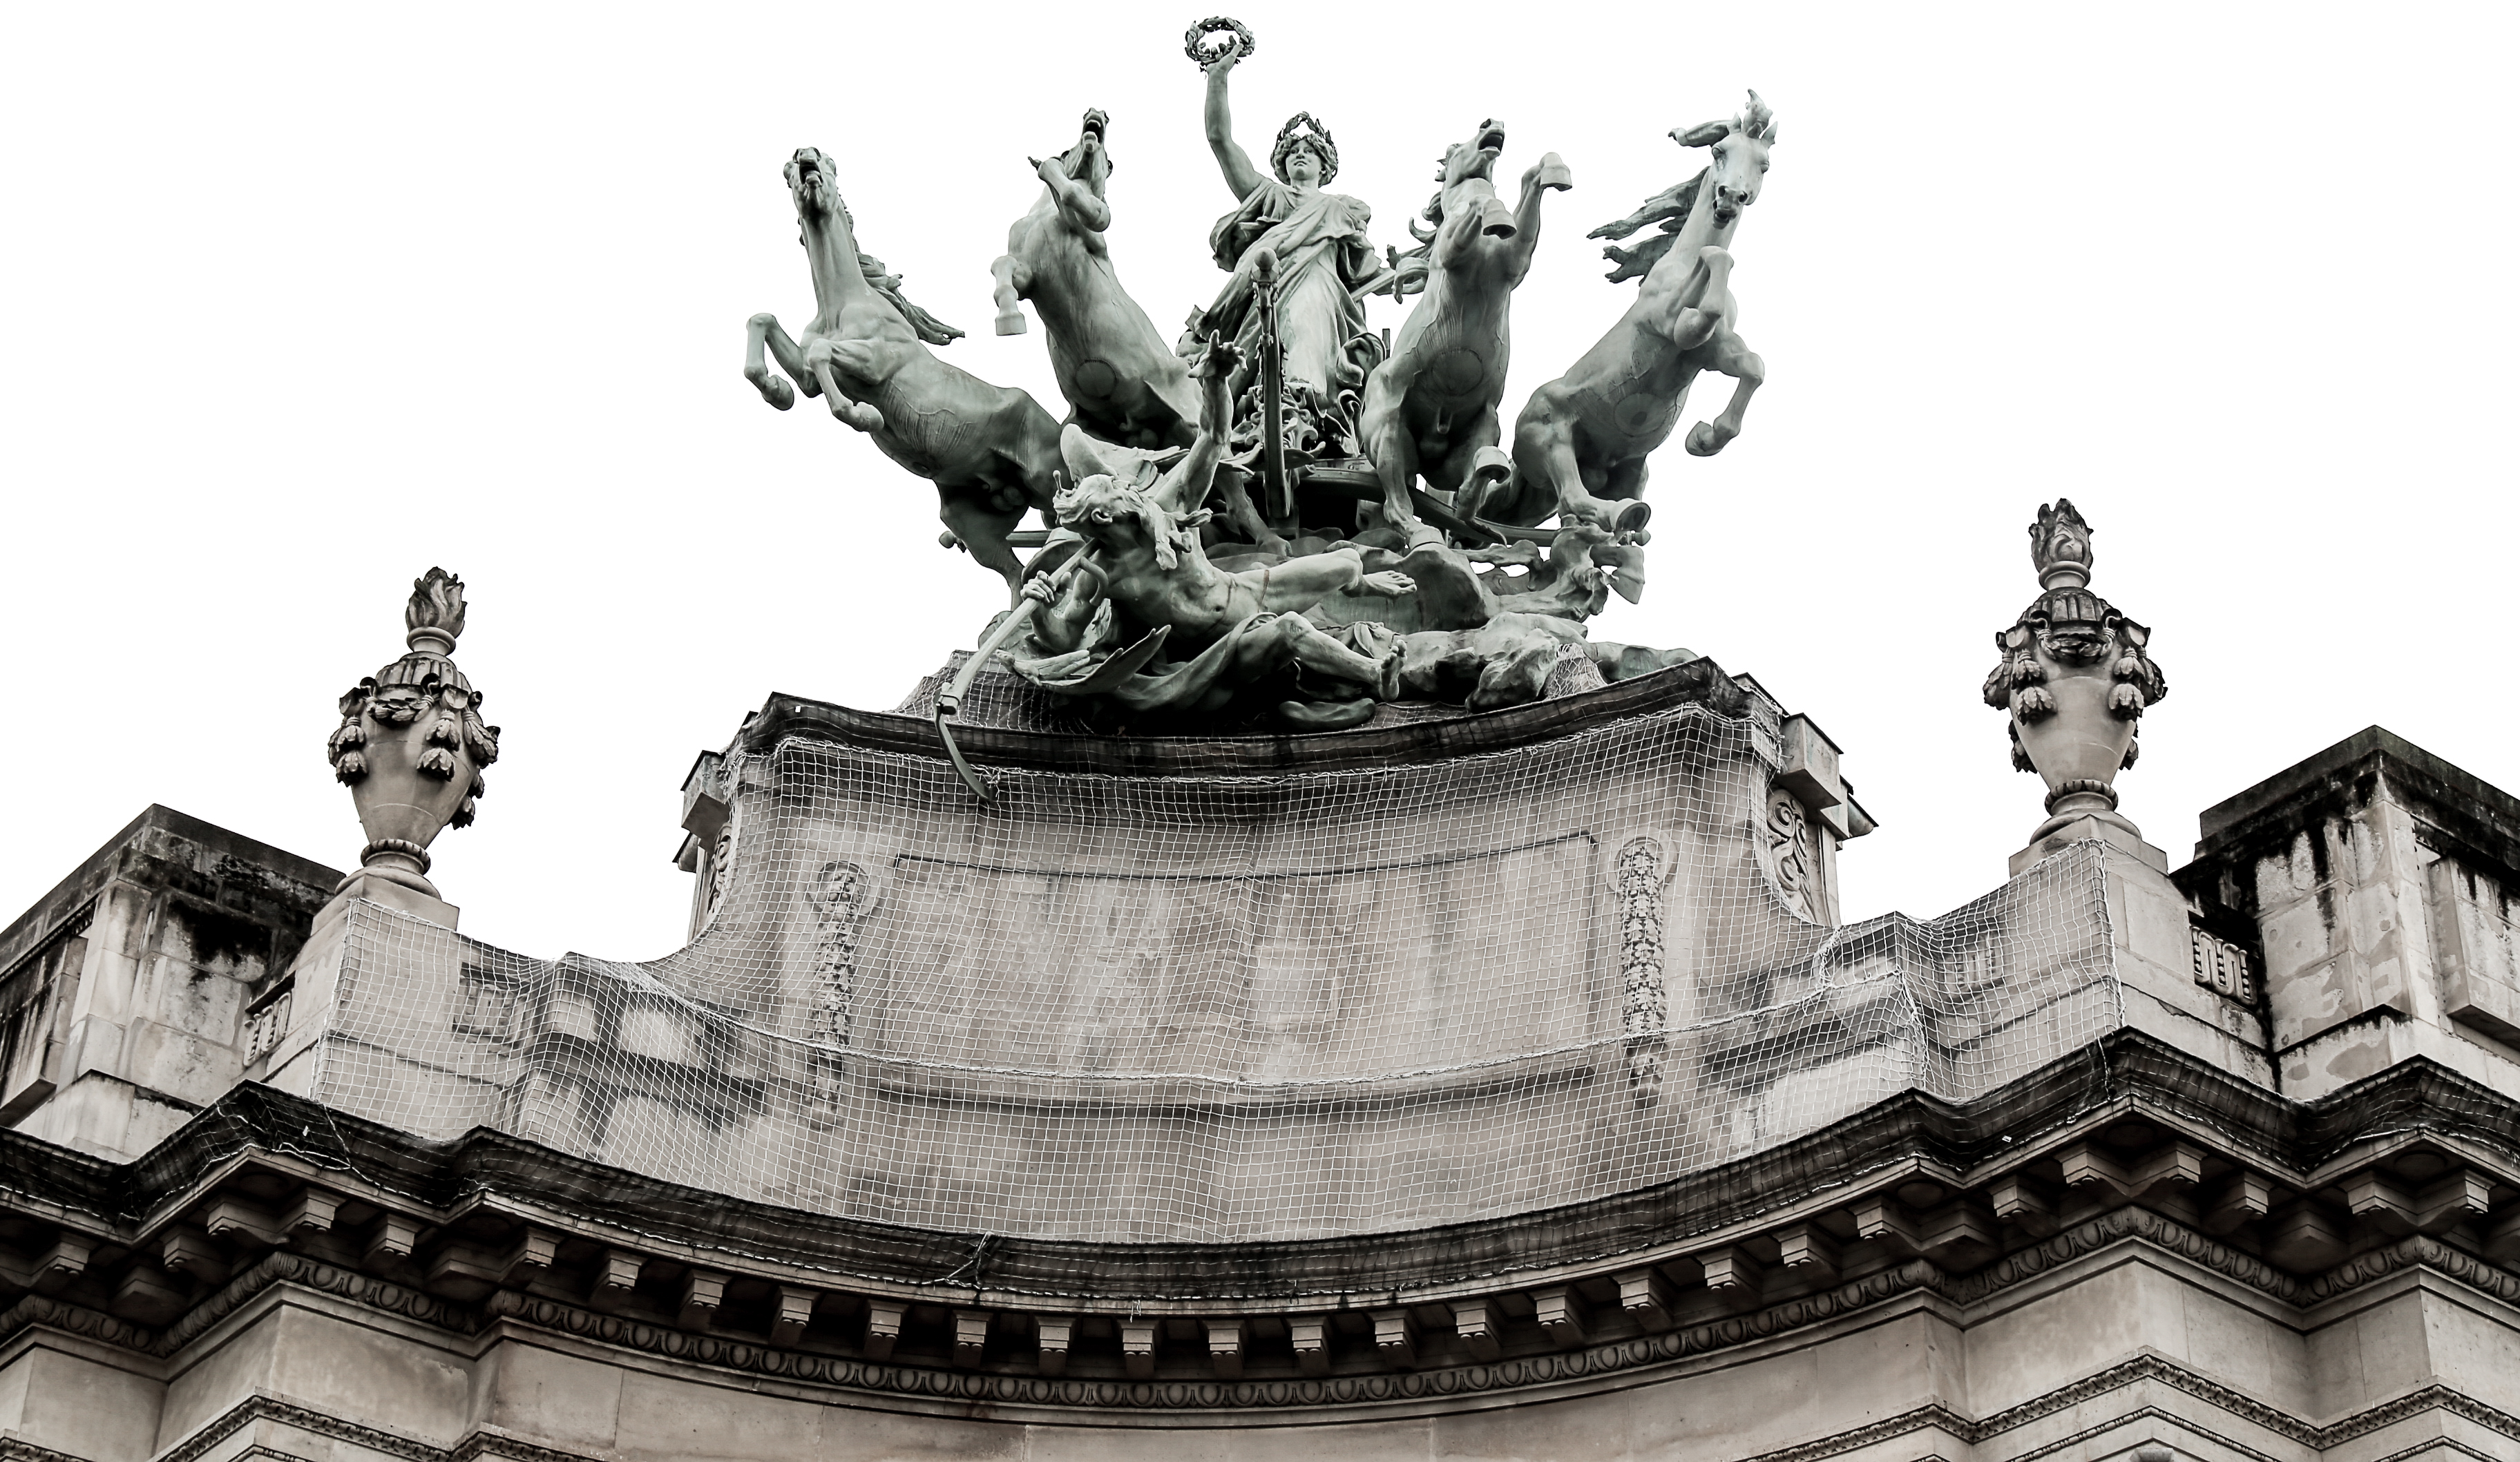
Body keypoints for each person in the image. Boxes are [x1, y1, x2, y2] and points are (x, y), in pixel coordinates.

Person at [1196, 45, 1381, 405]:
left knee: (1306, 311)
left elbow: (1367, 272)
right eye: (1293, 150)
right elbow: (1220, 140)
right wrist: (1217, 79)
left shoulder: (1340, 210)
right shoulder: (1270, 196)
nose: (1300, 154)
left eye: (1309, 151)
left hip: (1321, 287)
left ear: (1324, 166)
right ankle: (1269, 402)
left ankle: (1302, 396)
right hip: (1267, 289)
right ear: (1282, 163)